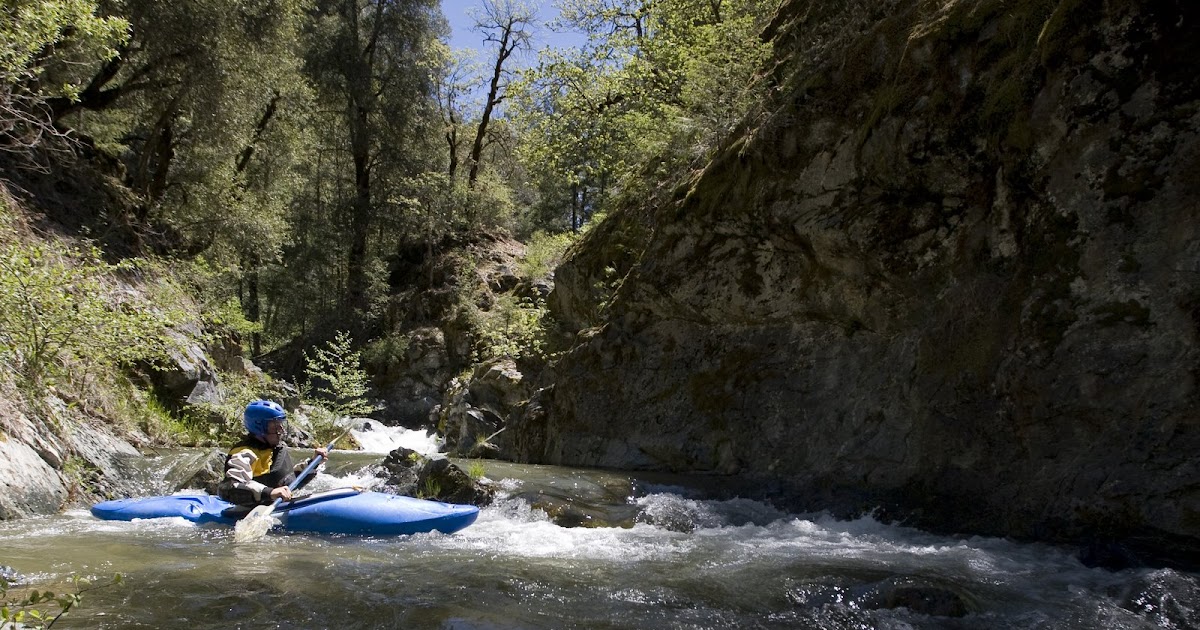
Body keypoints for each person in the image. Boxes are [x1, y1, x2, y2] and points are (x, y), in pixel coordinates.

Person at [217, 400, 328, 507]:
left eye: (281, 424)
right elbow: (232, 486)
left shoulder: (274, 450)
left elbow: (289, 481)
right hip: (250, 509)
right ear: (260, 427)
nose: (281, 430)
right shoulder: (244, 453)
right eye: (275, 425)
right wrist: (270, 493)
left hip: (277, 503)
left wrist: (314, 462)